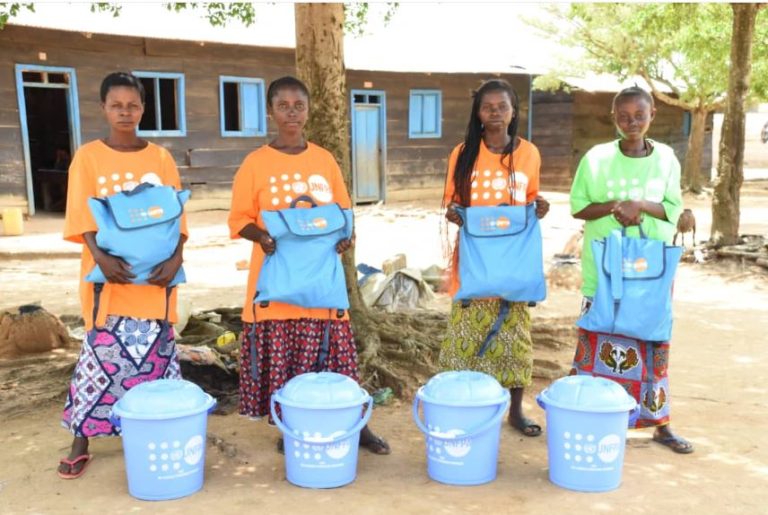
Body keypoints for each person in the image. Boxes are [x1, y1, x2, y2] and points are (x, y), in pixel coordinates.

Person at [228, 76, 389, 455]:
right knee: (286, 363)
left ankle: (357, 425)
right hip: (277, 284)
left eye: (298, 105)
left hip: (321, 284)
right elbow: (238, 219)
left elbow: (343, 212)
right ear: (270, 111)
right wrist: (262, 236)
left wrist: (346, 238)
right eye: (283, 106)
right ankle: (292, 428)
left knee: (338, 360)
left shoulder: (323, 160)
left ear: (308, 110)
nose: (292, 113)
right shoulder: (255, 163)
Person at [58, 72, 188, 478]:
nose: (125, 112)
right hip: (108, 282)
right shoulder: (88, 157)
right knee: (98, 358)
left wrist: (176, 261)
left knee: (155, 360)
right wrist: (101, 259)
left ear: (143, 109)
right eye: (117, 105)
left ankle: (158, 431)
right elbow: (81, 216)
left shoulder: (160, 159)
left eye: (132, 105)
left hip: (155, 281)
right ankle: (82, 440)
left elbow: (177, 218)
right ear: (103, 108)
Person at [569, 86, 694, 454]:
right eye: (623, 116)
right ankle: (586, 417)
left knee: (653, 344)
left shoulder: (666, 158)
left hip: (650, 272)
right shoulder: (596, 158)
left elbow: (673, 207)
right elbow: (579, 207)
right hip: (605, 271)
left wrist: (639, 205)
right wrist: (615, 206)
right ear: (614, 118)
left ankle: (660, 424)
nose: (632, 122)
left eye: (639, 115)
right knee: (596, 342)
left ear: (652, 114)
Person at [441, 78, 550, 437]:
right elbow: (453, 204)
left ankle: (515, 411)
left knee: (515, 339)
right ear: (477, 113)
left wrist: (540, 206)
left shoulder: (529, 153)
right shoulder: (463, 154)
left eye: (502, 106)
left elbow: (531, 199)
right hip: (475, 260)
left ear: (513, 111)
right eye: (487, 107)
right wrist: (456, 214)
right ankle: (462, 406)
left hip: (514, 260)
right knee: (464, 340)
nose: (495, 113)